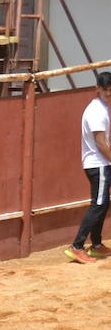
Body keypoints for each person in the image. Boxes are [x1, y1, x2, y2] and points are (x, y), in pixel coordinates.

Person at [66, 72, 111, 264]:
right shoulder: (96, 112)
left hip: (100, 163)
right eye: (107, 92)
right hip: (98, 163)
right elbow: (101, 144)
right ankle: (77, 246)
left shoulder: (101, 108)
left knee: (102, 203)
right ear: (98, 89)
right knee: (99, 204)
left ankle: (97, 245)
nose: (110, 95)